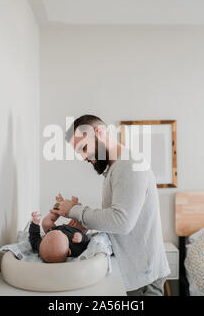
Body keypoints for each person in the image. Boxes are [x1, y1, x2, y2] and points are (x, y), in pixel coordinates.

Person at [51, 115, 170, 296]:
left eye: (84, 148)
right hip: (135, 272)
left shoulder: (128, 165)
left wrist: (73, 210)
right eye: (79, 152)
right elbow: (116, 217)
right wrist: (83, 222)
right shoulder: (116, 168)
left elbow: (121, 222)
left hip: (143, 277)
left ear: (99, 133)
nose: (83, 157)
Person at [29, 195, 89, 263]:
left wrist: (34, 225)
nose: (58, 231)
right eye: (61, 234)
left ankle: (58, 206)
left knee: (46, 222)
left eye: (47, 236)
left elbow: (34, 237)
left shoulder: (40, 246)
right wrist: (81, 238)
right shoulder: (75, 249)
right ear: (68, 251)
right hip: (74, 231)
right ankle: (75, 206)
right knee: (83, 224)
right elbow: (86, 242)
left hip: (52, 228)